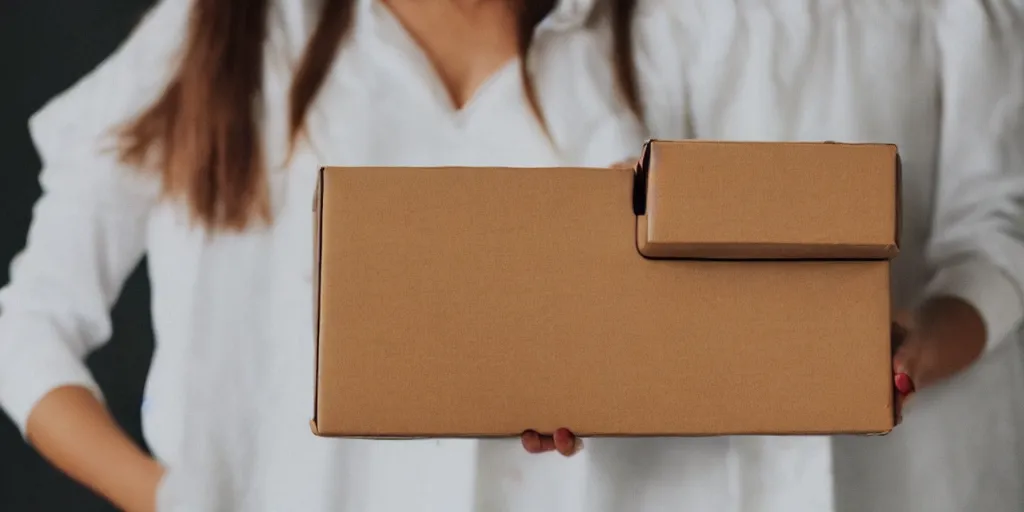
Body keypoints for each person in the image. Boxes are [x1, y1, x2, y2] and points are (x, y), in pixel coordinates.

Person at [1, 0, 1021, 510]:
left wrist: (588, 384)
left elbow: (593, 342)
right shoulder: (223, 37)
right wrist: (167, 497)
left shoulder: (595, 50)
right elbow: (28, 327)